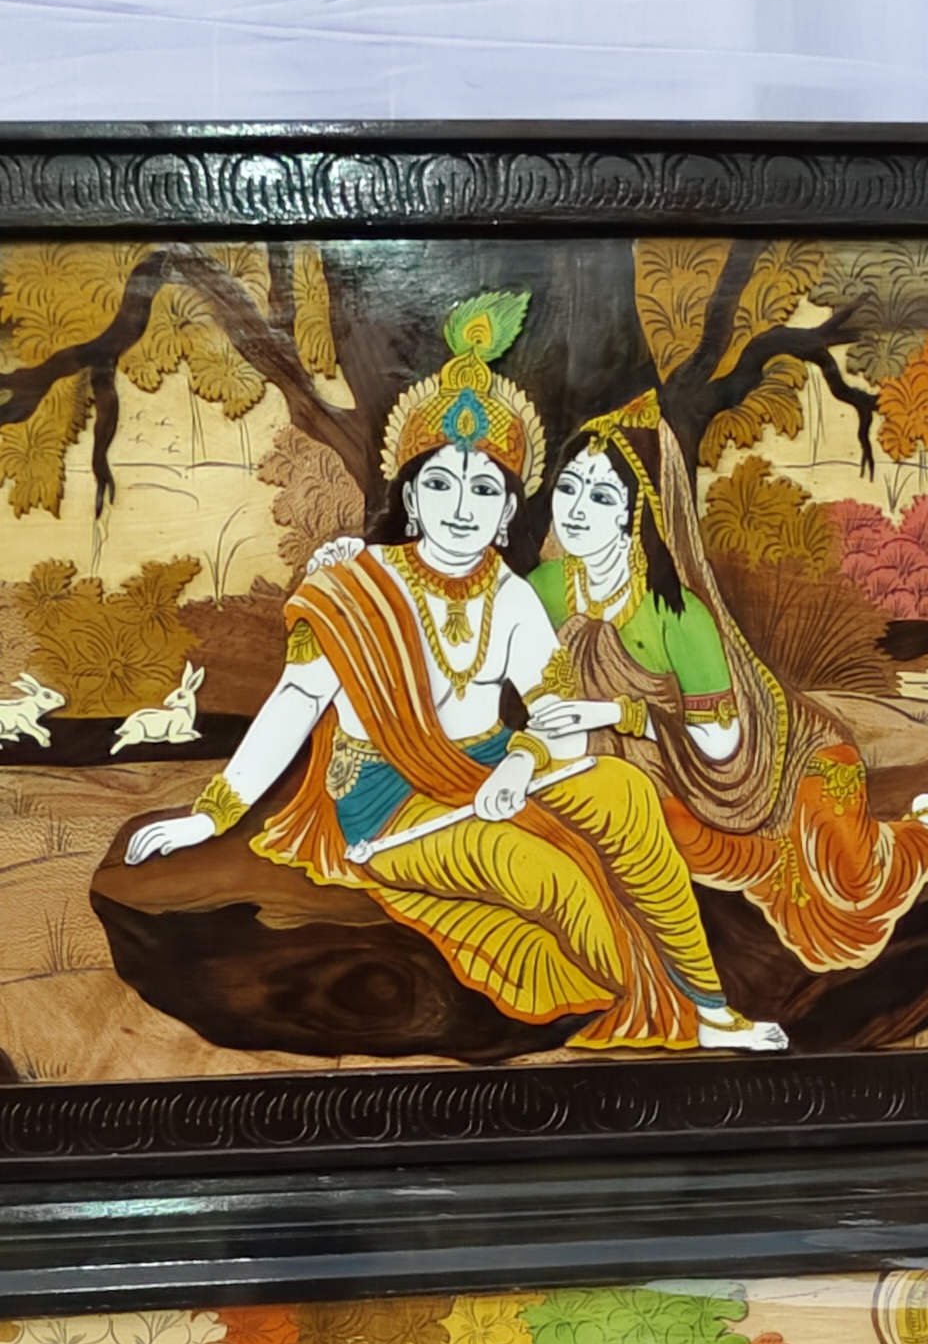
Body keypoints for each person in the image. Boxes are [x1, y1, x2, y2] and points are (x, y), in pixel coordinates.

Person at [120, 297, 785, 1054]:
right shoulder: (355, 588)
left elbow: (555, 710)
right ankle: (652, 1011)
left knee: (625, 793)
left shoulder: (511, 594)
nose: (461, 509)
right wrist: (211, 816)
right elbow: (296, 702)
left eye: (483, 489)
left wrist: (521, 764)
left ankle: (710, 1006)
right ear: (410, 497)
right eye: (440, 485)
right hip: (390, 804)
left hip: (493, 769)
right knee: (553, 877)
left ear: (507, 510)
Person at [525, 395, 928, 979]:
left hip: (767, 766)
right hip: (634, 769)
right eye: (568, 488)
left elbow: (722, 744)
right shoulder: (544, 588)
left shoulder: (677, 614)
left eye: (601, 497)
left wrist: (613, 715)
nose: (575, 510)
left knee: (845, 911)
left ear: (637, 512)